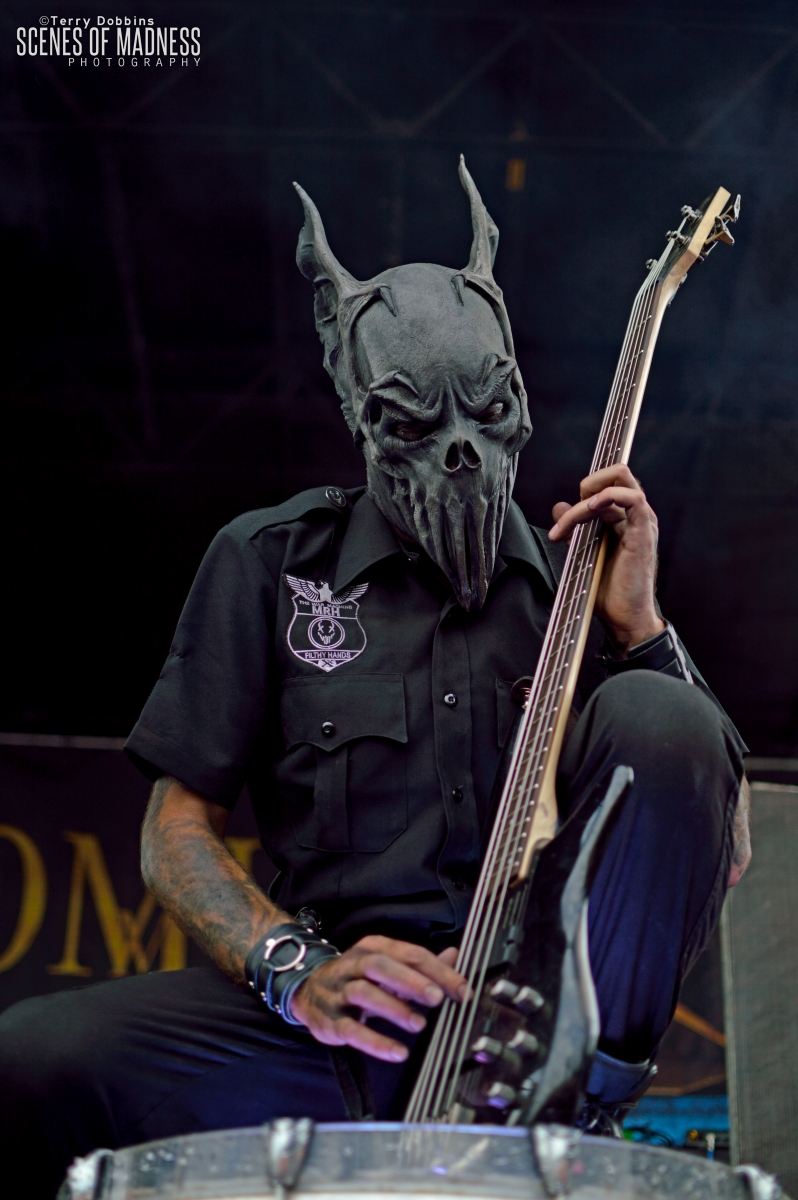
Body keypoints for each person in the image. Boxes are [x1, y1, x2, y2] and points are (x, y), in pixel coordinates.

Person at [0, 160, 750, 1199]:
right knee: (28, 1064)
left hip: (528, 1020)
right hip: (333, 1018)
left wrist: (643, 625)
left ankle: (565, 1094)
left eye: (488, 411)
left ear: (520, 402)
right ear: (358, 414)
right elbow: (174, 832)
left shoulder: (578, 589)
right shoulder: (272, 564)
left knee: (662, 715)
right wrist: (300, 975)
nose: (462, 454)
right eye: (415, 422)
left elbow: (720, 844)